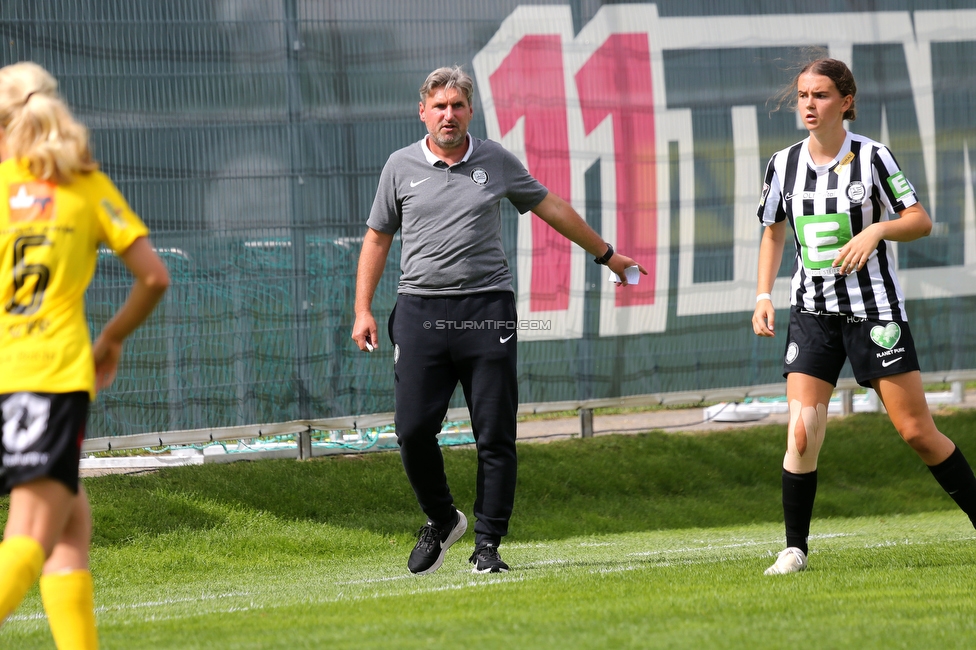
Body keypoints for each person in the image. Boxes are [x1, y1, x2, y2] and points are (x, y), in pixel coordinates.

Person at [352, 65, 646, 575]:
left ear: (470, 111)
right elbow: (378, 236)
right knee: (412, 430)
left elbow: (550, 205)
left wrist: (609, 256)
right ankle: (442, 520)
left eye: (457, 105)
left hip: (488, 310)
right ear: (423, 112)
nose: (449, 114)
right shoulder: (398, 167)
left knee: (494, 433)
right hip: (420, 311)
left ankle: (487, 544)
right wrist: (362, 309)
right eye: (439, 106)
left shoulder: (495, 160)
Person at [753, 57, 976, 575]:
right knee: (803, 431)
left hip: (874, 312)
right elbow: (772, 230)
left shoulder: (873, 157)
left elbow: (919, 220)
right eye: (804, 95)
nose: (809, 104)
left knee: (918, 432)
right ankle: (794, 548)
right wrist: (763, 294)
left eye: (821, 95)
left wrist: (876, 230)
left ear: (846, 101)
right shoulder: (782, 164)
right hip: (812, 311)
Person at [0, 62, 170, 646]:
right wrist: (112, 337)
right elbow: (152, 278)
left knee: (70, 526)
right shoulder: (81, 182)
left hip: (9, 374)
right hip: (49, 375)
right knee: (30, 531)